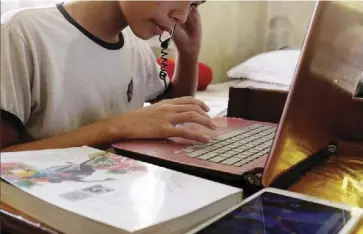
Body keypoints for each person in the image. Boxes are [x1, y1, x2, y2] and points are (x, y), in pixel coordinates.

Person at [1, 1, 216, 152]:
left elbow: (173, 113)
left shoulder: (136, 45)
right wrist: (118, 127)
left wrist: (188, 55)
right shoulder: (21, 32)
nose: (182, 16)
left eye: (194, 4)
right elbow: (5, 158)